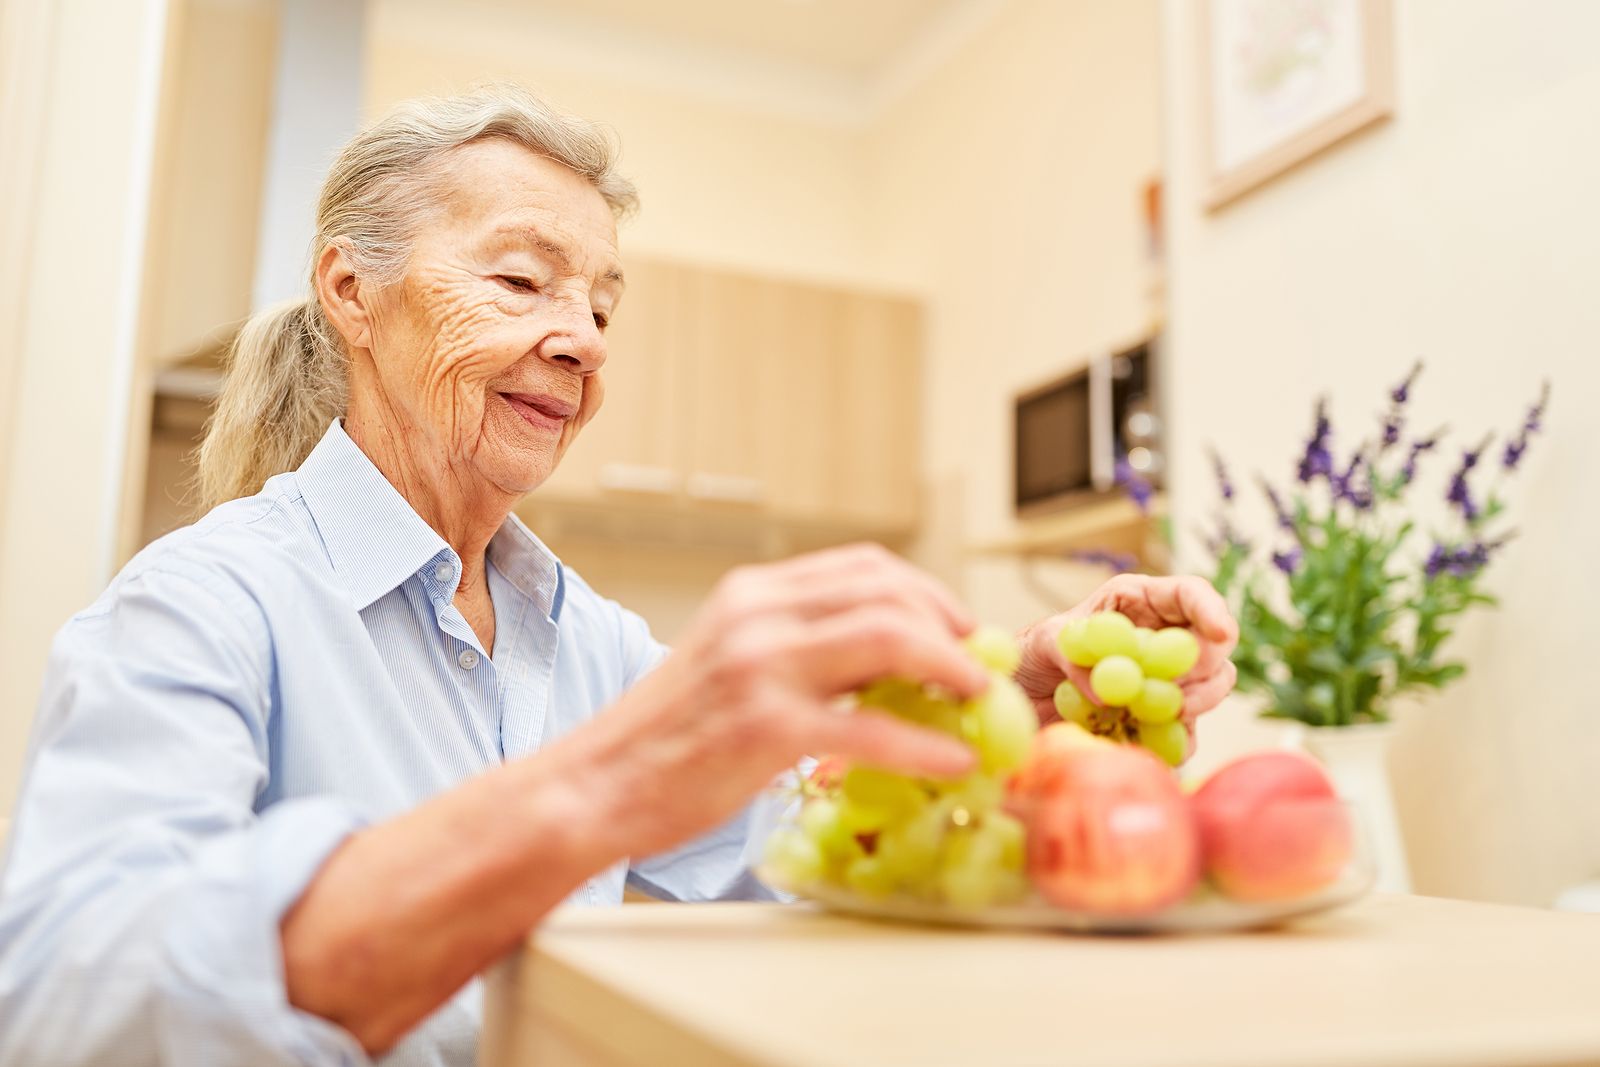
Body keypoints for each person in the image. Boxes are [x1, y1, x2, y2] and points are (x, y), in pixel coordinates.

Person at [0, 86, 1238, 1067]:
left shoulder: (583, 635)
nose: (582, 336)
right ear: (351, 291)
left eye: (602, 303)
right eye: (523, 279)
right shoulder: (200, 602)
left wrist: (1015, 699)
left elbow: (802, 850)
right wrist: (605, 782)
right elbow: (68, 1005)